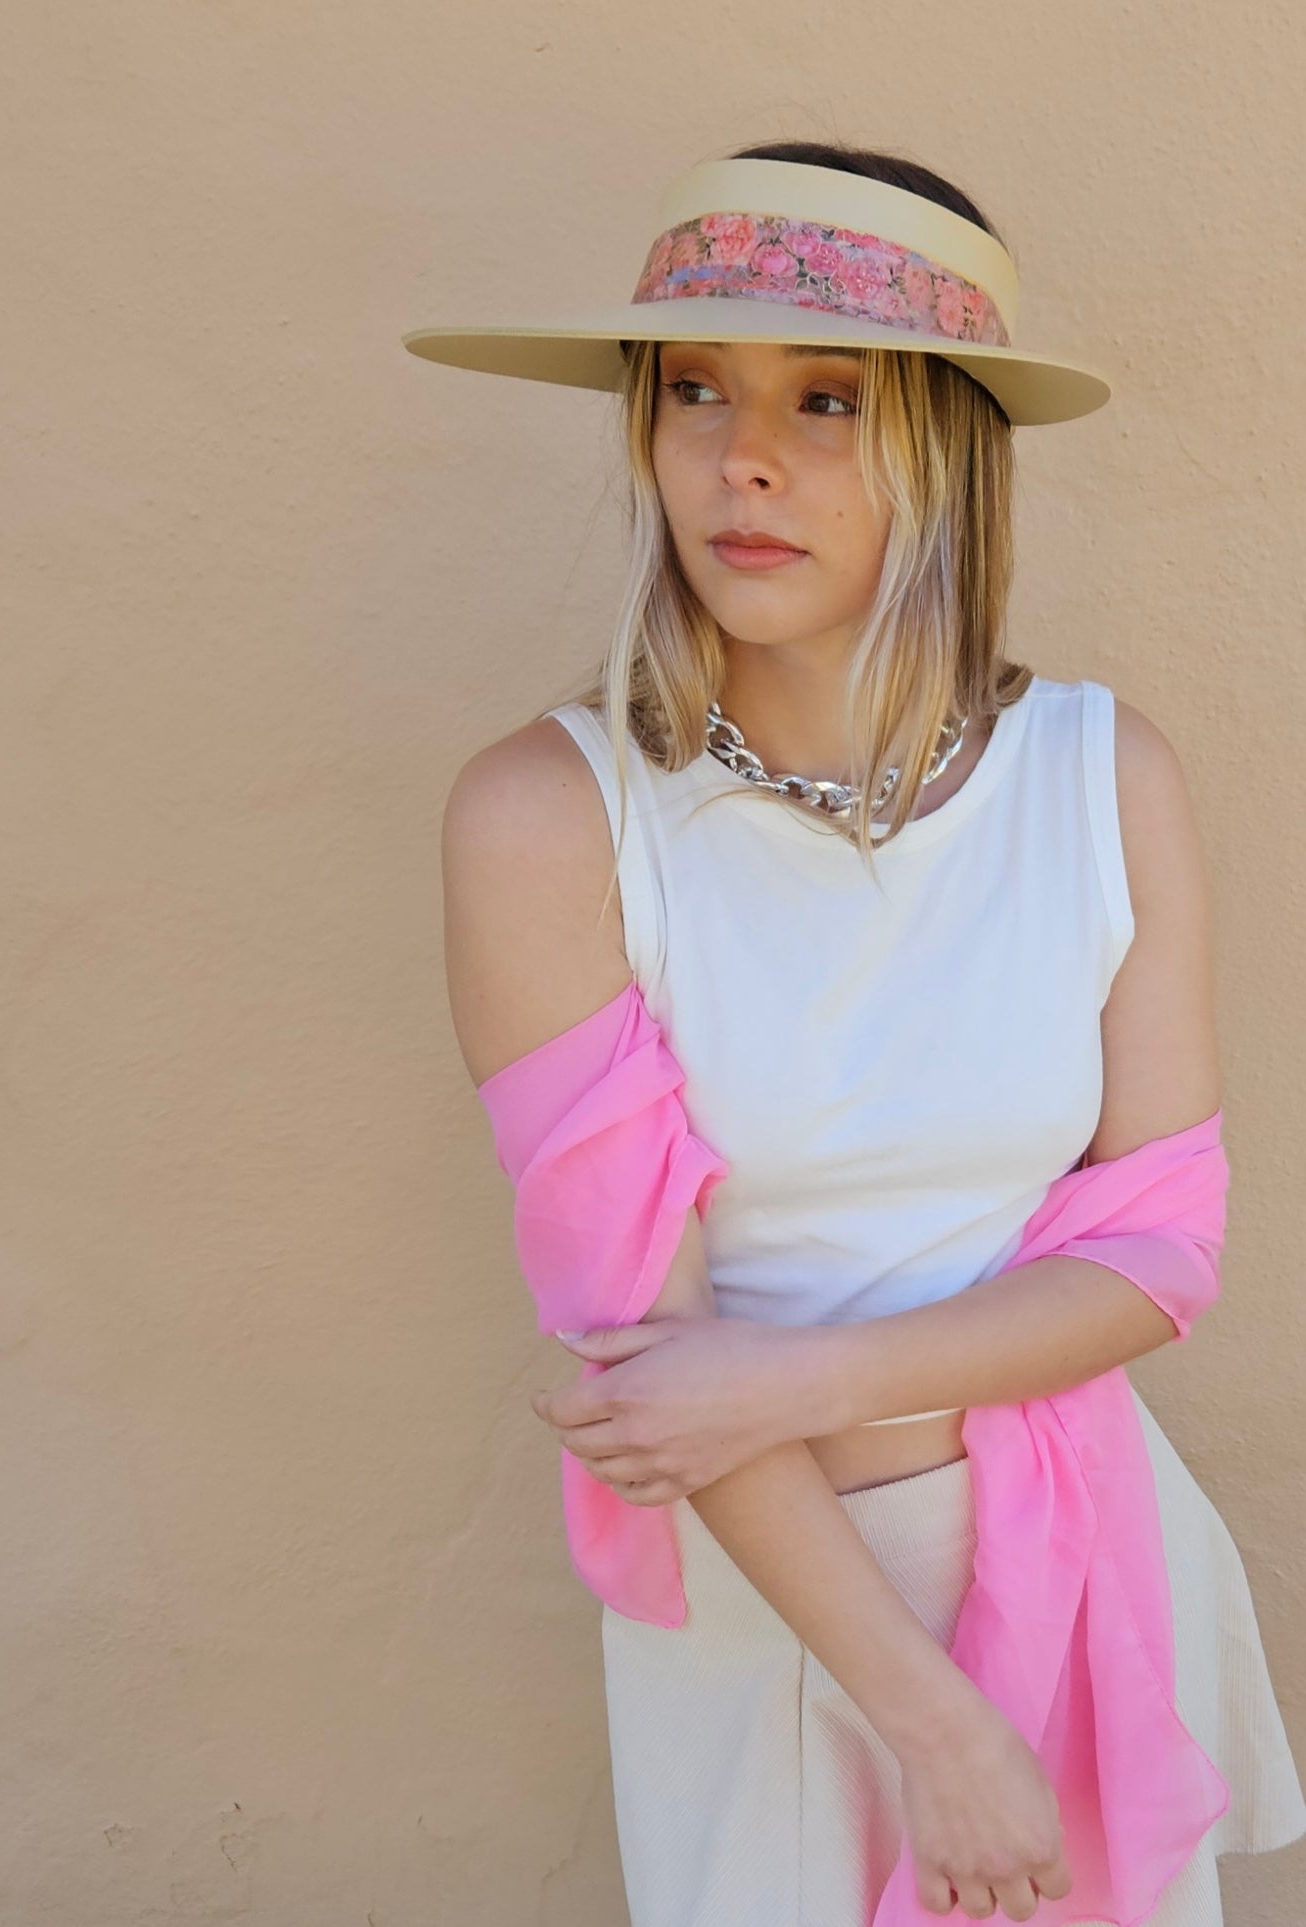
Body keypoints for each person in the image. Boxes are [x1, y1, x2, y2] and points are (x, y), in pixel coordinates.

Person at [409, 141, 1306, 1924]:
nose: (742, 455)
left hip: (1078, 1557)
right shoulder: (549, 819)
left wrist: (805, 1373)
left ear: (944, 451)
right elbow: (645, 1349)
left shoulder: (1099, 781)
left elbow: (1159, 1250)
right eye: (693, 395)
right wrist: (936, 1729)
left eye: (825, 399)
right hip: (777, 1604)